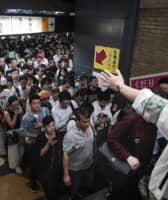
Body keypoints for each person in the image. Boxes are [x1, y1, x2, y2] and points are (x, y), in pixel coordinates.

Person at [101, 69, 168, 200]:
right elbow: (112, 139)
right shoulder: (131, 119)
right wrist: (128, 157)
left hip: (140, 170)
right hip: (125, 169)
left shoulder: (155, 124)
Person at [63, 105, 96, 200]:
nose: (87, 124)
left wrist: (94, 153)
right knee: (74, 189)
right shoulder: (70, 136)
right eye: (84, 122)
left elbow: (94, 140)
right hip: (75, 169)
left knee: (89, 184)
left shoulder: (90, 127)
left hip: (89, 165)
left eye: (88, 121)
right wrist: (66, 175)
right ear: (77, 120)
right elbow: (65, 155)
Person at [20, 94, 50, 192]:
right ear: (30, 104)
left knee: (45, 161)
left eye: (38, 103)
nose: (37, 105)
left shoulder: (45, 110)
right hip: (33, 144)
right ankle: (33, 183)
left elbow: (51, 122)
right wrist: (36, 136)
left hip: (45, 141)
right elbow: (22, 132)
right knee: (33, 165)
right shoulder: (26, 117)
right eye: (34, 103)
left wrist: (43, 124)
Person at [31, 116, 61, 200]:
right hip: (45, 167)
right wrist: (48, 144)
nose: (52, 128)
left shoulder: (58, 134)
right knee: (49, 187)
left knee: (56, 184)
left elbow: (60, 149)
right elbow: (40, 154)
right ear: (44, 127)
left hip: (56, 165)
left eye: (53, 125)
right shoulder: (40, 138)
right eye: (49, 126)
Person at [4, 96, 23, 174]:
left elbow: (22, 121)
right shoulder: (6, 112)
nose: (16, 106)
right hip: (11, 132)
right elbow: (11, 125)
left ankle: (19, 163)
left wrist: (21, 113)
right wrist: (15, 115)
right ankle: (15, 166)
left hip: (20, 130)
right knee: (13, 151)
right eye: (14, 105)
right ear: (10, 105)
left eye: (17, 104)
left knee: (21, 149)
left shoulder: (19, 108)